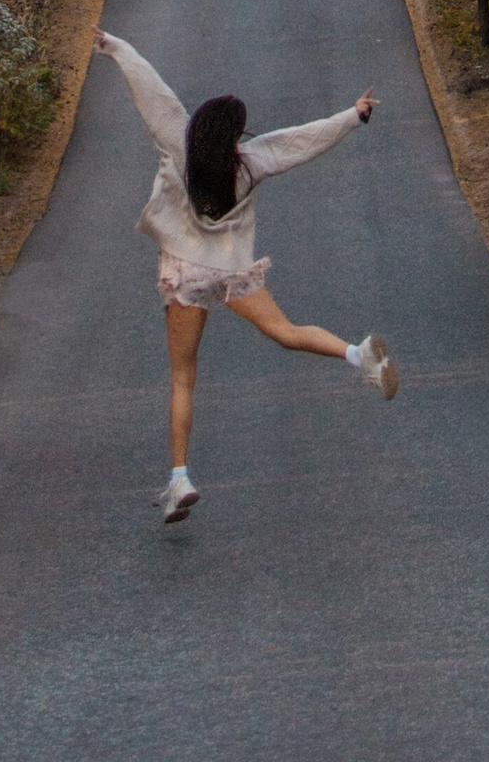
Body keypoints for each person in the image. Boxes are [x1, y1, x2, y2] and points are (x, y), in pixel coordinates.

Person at [97, 28, 399, 525]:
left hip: (186, 278)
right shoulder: (252, 164)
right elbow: (301, 141)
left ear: (201, 127)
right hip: (231, 272)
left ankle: (179, 479)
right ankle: (358, 354)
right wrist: (353, 116)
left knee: (183, 378)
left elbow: (153, 93)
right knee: (286, 331)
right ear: (235, 135)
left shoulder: (178, 145)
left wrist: (116, 47)